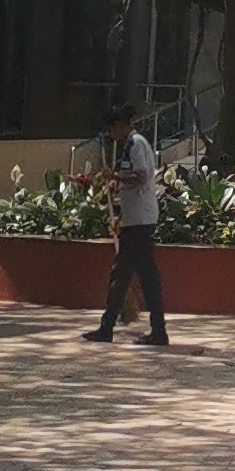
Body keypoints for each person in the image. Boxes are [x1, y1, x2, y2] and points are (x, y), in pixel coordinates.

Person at [85, 103, 171, 347]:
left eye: (112, 129)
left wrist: (115, 178)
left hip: (140, 221)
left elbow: (141, 176)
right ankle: (108, 326)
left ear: (120, 126)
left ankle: (157, 329)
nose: (111, 135)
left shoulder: (137, 144)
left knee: (143, 276)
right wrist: (118, 185)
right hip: (134, 220)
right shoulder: (129, 147)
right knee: (122, 275)